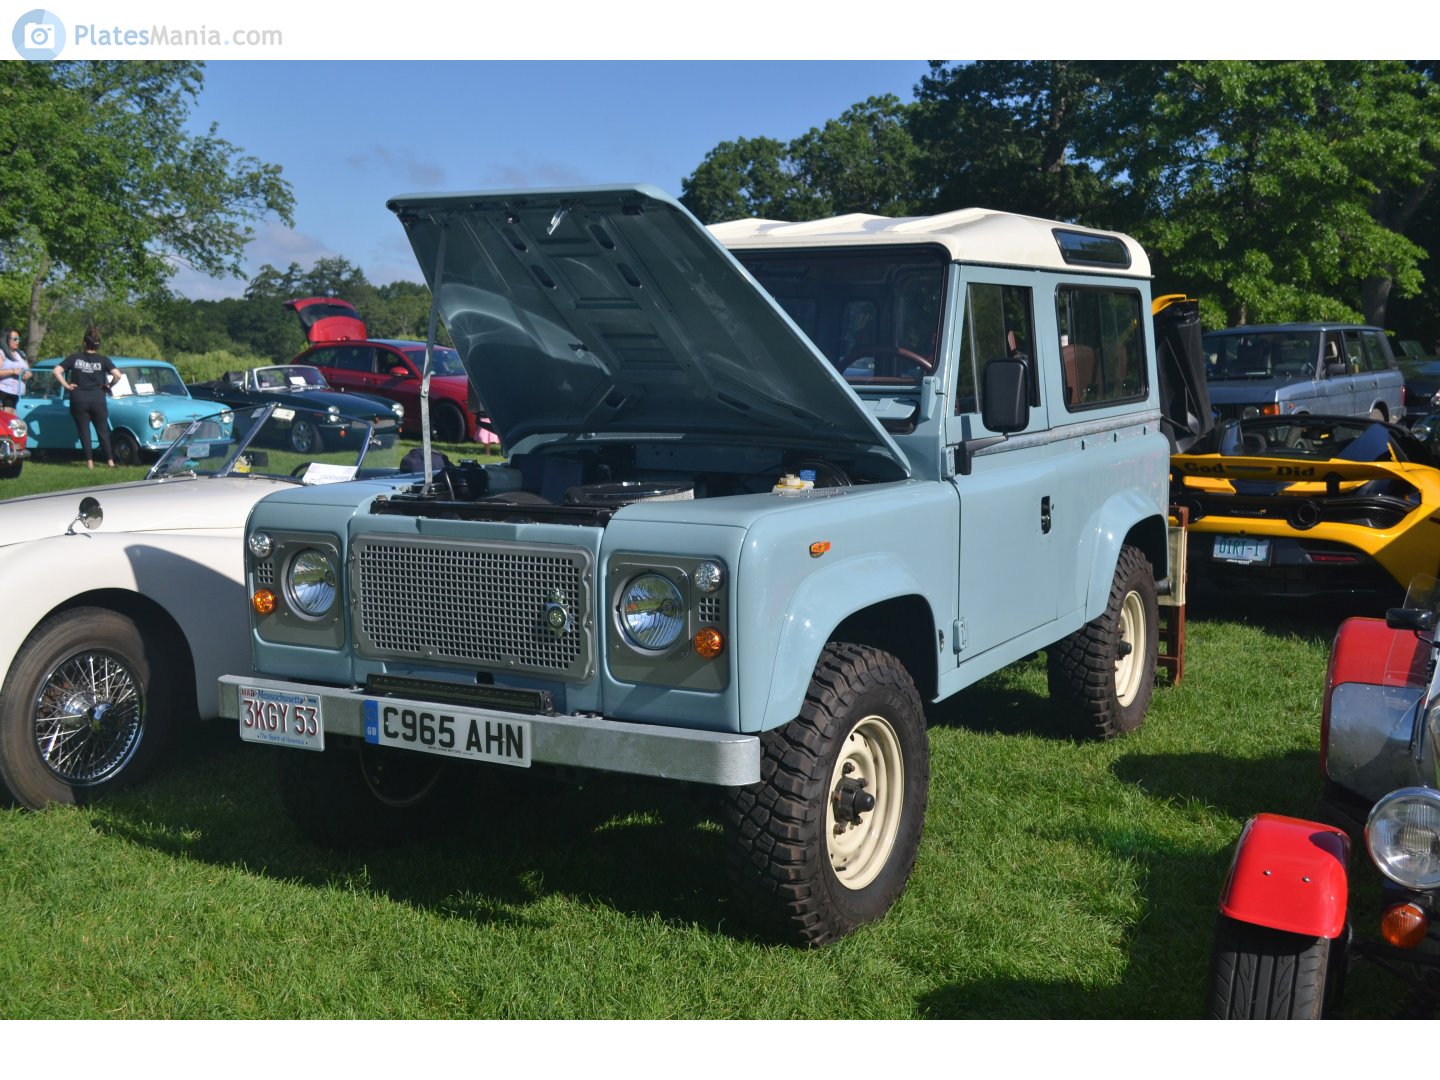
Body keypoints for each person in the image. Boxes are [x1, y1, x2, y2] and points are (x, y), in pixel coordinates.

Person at [53, 326, 122, 468]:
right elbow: (118, 375)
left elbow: (56, 371)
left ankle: (89, 463)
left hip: (79, 398)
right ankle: (110, 462)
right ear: (97, 345)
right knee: (102, 431)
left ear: (84, 343)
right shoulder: (103, 360)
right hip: (97, 398)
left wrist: (67, 386)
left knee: (84, 431)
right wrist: (109, 386)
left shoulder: (75, 358)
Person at [0, 329, 31, 409]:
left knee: (14, 419)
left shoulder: (21, 354)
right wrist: (12, 371)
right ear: (6, 340)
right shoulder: (2, 353)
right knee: (8, 420)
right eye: (15, 339)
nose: (18, 341)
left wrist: (26, 375)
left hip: (18, 393)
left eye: (19, 339)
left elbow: (28, 372)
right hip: (4, 392)